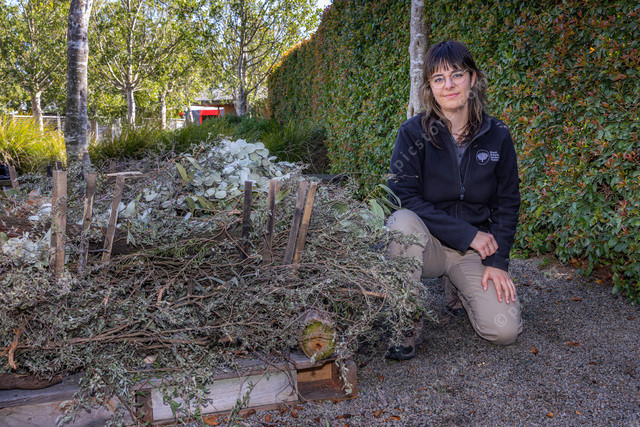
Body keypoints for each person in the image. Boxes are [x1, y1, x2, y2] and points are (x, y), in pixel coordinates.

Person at [385, 40, 522, 360]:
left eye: (457, 75)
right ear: (430, 88)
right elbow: (401, 196)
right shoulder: (412, 133)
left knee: (503, 331)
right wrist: (466, 233)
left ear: (472, 79)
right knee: (400, 222)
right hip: (427, 244)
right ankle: (404, 321)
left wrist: (498, 262)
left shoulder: (498, 134)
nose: (448, 85)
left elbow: (507, 202)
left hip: (471, 252)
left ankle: (457, 289)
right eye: (438, 78)